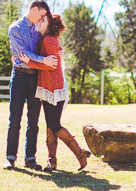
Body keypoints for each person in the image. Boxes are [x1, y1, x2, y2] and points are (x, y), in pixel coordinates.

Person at [18, 13, 91, 171]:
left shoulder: (49, 39)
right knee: (50, 125)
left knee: (54, 125)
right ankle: (52, 161)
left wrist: (28, 61)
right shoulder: (44, 38)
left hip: (54, 87)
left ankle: (80, 154)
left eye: (44, 20)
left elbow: (51, 65)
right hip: (47, 87)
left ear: (50, 25)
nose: (40, 21)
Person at [3, 0, 58, 171]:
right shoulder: (15, 28)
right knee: (15, 119)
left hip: (36, 78)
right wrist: (43, 60)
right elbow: (22, 53)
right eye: (41, 14)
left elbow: (49, 45)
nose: (42, 19)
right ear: (34, 10)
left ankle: (30, 158)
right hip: (19, 77)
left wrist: (58, 52)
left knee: (33, 120)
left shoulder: (39, 30)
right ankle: (10, 158)